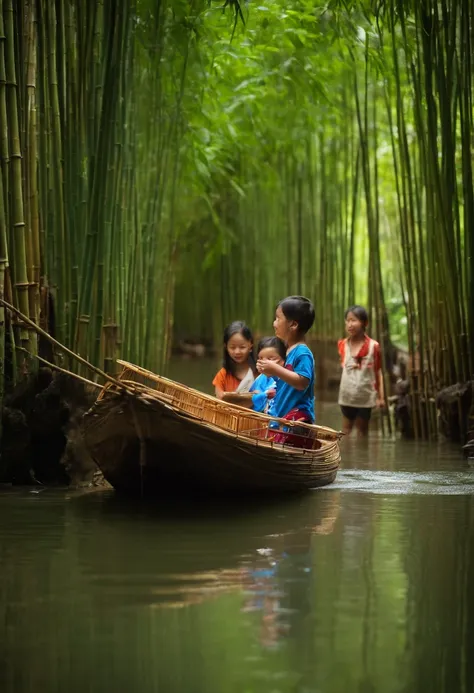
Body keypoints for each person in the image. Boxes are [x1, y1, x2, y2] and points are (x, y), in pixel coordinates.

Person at [256, 296, 316, 448]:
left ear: (293, 325)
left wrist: (276, 369)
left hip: (298, 417)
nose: (274, 323)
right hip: (282, 414)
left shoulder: (302, 352)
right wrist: (270, 372)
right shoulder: (286, 350)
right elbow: (285, 379)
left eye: (278, 319)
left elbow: (302, 382)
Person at [338, 305, 385, 436]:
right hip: (346, 395)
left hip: (365, 396)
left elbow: (378, 371)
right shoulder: (342, 344)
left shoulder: (374, 346)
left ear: (365, 323)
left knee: (362, 433)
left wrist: (381, 397)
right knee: (345, 432)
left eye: (354, 320)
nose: (349, 324)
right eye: (347, 320)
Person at [213, 321, 256, 399]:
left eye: (242, 347)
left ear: (250, 345)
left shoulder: (261, 373)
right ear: (226, 347)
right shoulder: (222, 375)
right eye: (232, 347)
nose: (237, 352)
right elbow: (218, 402)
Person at [249, 336, 286, 413]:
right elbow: (250, 401)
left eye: (270, 359)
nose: (265, 363)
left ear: (284, 360)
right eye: (261, 358)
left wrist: (262, 394)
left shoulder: (286, 378)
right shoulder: (260, 379)